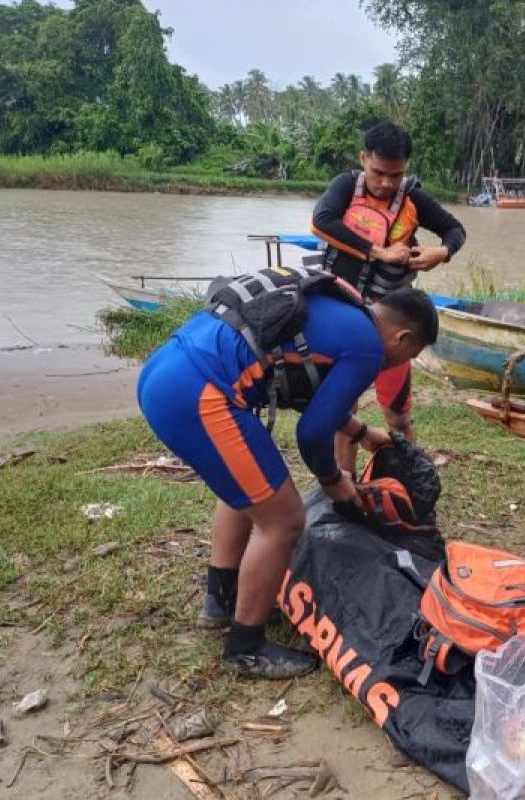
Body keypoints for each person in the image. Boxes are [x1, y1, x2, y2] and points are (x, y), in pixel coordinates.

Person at [137, 274, 439, 679]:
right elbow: (312, 433)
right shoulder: (368, 346)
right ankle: (245, 647)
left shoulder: (341, 312)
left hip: (166, 370)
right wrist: (335, 482)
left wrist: (362, 435)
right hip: (201, 391)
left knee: (248, 491)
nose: (403, 363)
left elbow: (311, 394)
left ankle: (222, 602)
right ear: (402, 338)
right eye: (411, 355)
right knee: (283, 519)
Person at [311, 120, 466, 472]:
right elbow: (321, 221)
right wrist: (378, 252)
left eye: (395, 176)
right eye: (378, 172)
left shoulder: (412, 198)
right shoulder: (345, 187)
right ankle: (344, 487)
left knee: (397, 412)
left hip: (391, 323)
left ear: (406, 169)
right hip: (342, 313)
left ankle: (412, 479)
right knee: (342, 408)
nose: (385, 183)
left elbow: (455, 229)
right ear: (363, 158)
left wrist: (441, 253)